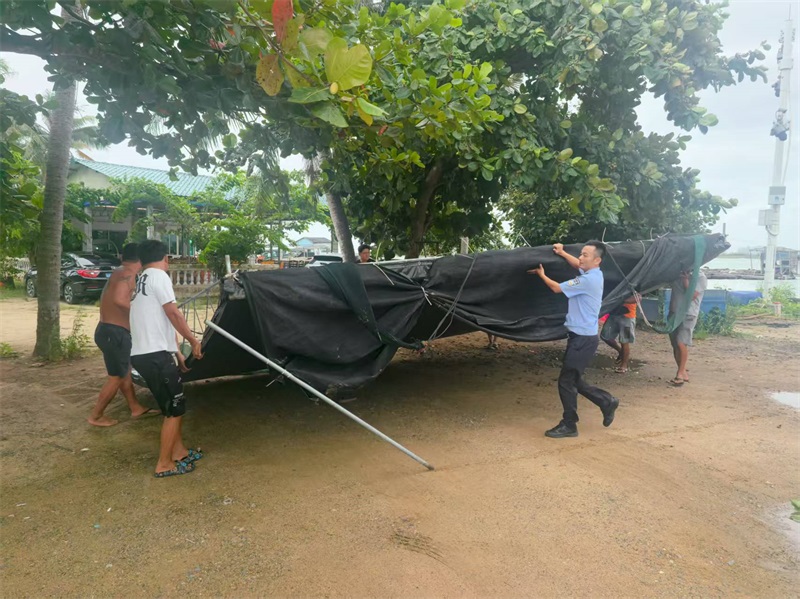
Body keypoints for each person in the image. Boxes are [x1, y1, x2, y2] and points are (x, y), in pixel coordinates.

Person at [528, 241, 619, 438]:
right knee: (574, 379)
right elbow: (577, 265)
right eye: (581, 254)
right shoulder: (594, 273)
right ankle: (606, 401)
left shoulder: (587, 281)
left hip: (583, 340)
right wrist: (562, 253)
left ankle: (570, 424)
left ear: (597, 260)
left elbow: (556, 288)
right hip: (581, 337)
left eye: (585, 255)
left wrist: (541, 274)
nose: (580, 257)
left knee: (566, 381)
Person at [129, 240, 204, 478]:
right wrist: (192, 341)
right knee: (174, 409)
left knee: (173, 406)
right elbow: (173, 313)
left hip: (147, 354)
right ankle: (164, 464)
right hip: (153, 356)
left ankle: (178, 452)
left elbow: (159, 320)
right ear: (166, 259)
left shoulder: (141, 280)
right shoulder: (159, 276)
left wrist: (176, 351)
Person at [88, 243, 156, 427]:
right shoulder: (128, 274)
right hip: (115, 333)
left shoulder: (119, 271)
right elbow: (119, 299)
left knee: (124, 372)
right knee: (116, 377)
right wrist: (140, 313)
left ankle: (135, 407)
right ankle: (96, 416)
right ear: (141, 259)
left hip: (108, 331)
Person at [667, 269, 707, 387]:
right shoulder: (677, 272)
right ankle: (682, 371)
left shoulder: (700, 277)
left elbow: (693, 295)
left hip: (688, 313)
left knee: (681, 342)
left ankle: (680, 373)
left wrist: (685, 280)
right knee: (675, 343)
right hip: (674, 312)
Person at [600, 295, 638, 373]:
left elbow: (638, 298)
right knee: (605, 336)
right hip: (614, 314)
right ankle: (621, 351)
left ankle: (624, 365)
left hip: (628, 317)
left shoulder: (634, 286)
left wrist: (620, 299)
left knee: (625, 341)